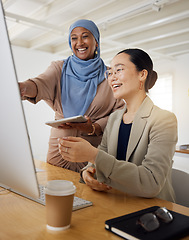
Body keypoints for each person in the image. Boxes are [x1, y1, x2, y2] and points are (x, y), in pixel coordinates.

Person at [58, 48, 178, 202]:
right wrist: (87, 172)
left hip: (153, 210)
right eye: (109, 73)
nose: (112, 78)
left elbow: (151, 183)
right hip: (117, 200)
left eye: (119, 70)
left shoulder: (163, 119)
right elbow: (102, 156)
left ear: (142, 74)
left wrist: (93, 155)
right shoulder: (115, 118)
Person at [19, 19, 124, 172]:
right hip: (59, 149)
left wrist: (93, 127)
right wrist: (22, 88)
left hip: (92, 153)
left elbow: (120, 113)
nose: (79, 42)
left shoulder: (110, 75)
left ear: (96, 41)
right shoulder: (59, 68)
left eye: (85, 36)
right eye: (74, 38)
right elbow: (39, 84)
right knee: (55, 190)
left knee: (90, 194)